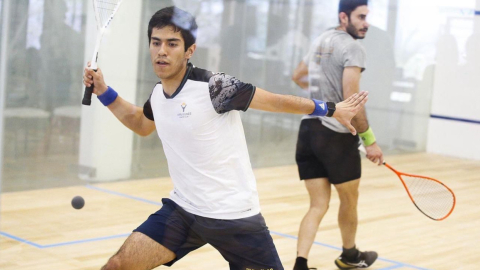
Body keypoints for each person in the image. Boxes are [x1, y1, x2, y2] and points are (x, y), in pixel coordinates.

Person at [83, 6, 368, 270]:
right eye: (156, 42)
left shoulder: (215, 87)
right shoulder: (159, 95)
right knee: (117, 266)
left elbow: (276, 102)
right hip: (184, 212)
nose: (162, 51)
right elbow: (140, 124)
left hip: (234, 217)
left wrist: (331, 109)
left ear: (189, 50)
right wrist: (104, 91)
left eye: (172, 44)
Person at [291, 0, 383, 269]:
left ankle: (300, 263)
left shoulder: (322, 40)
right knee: (349, 199)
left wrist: (322, 98)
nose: (366, 22)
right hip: (335, 136)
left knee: (318, 205)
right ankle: (350, 256)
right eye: (361, 16)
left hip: (308, 130)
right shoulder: (353, 47)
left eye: (367, 16)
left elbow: (298, 75)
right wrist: (370, 141)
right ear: (344, 17)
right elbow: (352, 100)